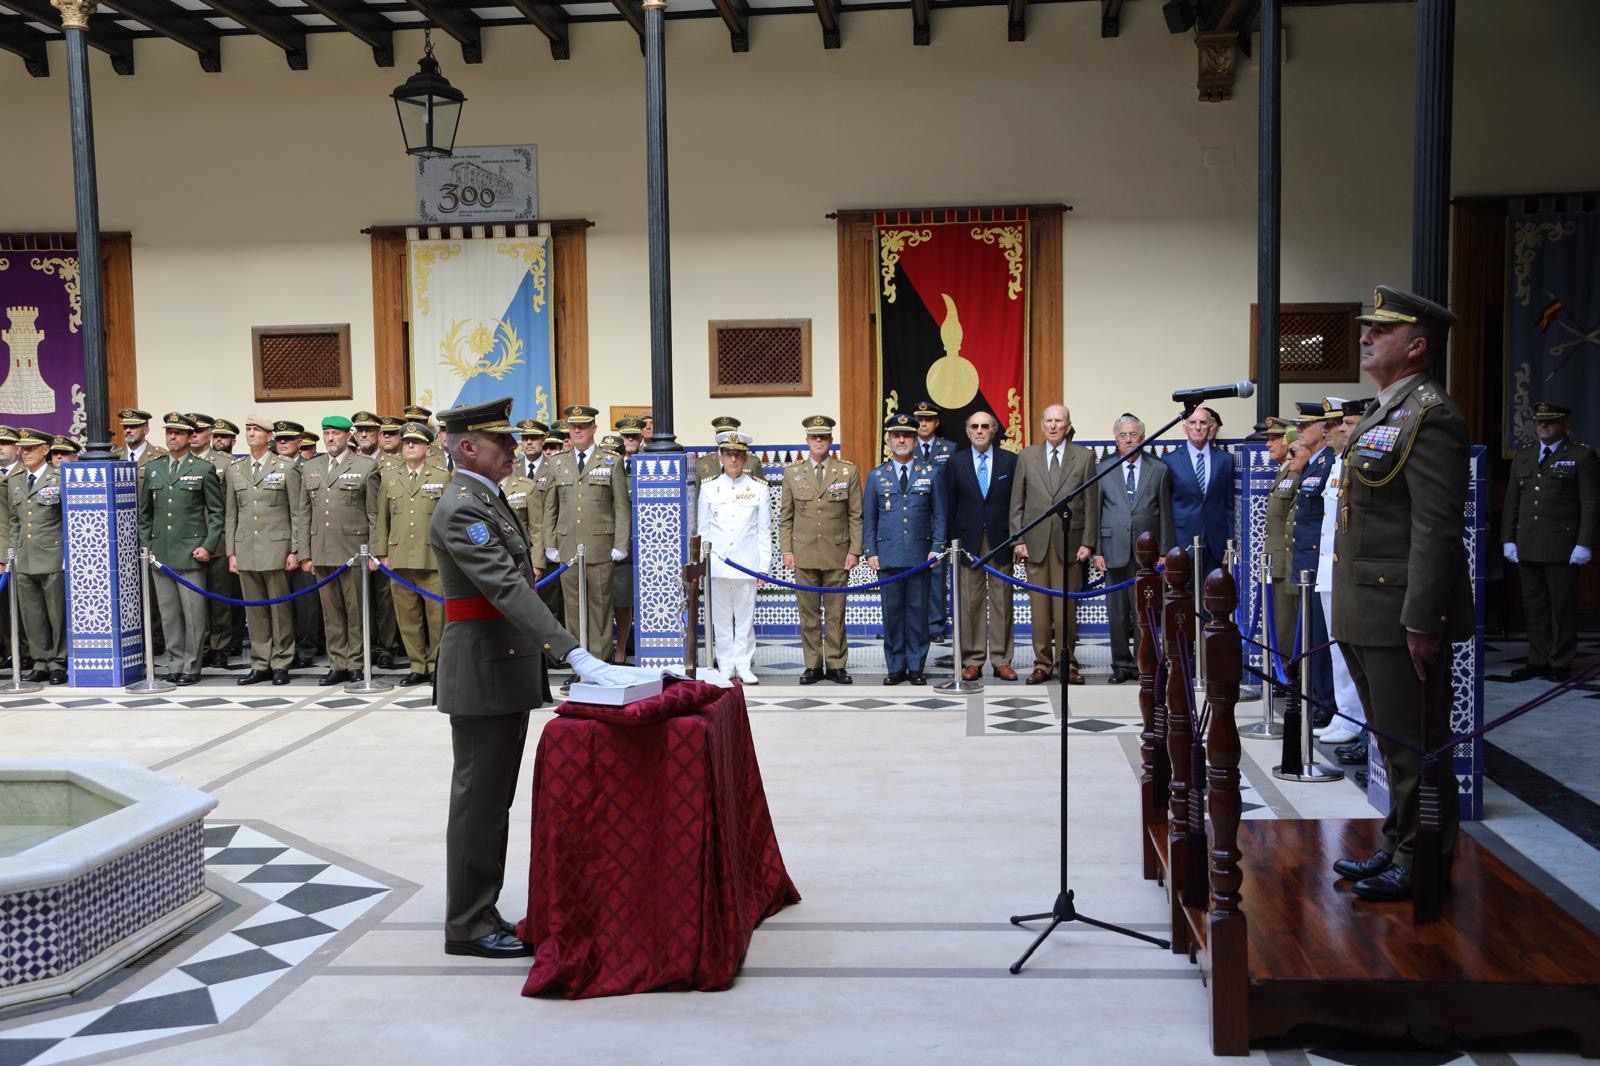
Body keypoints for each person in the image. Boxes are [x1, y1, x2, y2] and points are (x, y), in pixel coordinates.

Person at [427, 395, 637, 960]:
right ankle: (467, 924)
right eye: (501, 440)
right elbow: (507, 588)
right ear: (468, 446)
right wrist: (574, 653)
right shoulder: (462, 507)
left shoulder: (485, 497)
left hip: (501, 664)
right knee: (479, 802)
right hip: (482, 669)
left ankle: (481, 910)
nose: (512, 449)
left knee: (493, 800)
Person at [1331, 285, 1473, 903]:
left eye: (1381, 331)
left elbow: (1436, 528)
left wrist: (1422, 620)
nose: (1366, 337)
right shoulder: (1387, 409)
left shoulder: (1431, 414)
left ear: (1416, 347)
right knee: (1391, 741)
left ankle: (1423, 863)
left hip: (1399, 612)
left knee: (1416, 745)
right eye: (1367, 328)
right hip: (1366, 606)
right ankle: (1398, 843)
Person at [1502, 401, 1598, 682]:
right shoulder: (1524, 455)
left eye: (1550, 421)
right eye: (1539, 421)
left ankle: (1560, 661)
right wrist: (1508, 539)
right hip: (1527, 542)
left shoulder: (1581, 455)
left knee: (1561, 608)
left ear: (1564, 424)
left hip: (1562, 545)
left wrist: (1585, 543)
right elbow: (1512, 502)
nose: (1543, 426)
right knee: (1534, 606)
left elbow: (1590, 503)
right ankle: (1538, 659)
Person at [1010, 404, 1098, 685]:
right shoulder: (1027, 456)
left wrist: (1088, 542)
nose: (1053, 425)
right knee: (1039, 611)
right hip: (1035, 544)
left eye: (1058, 421)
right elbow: (1017, 503)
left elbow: (1091, 504)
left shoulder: (1083, 457)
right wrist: (1018, 539)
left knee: (1065, 611)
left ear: (1068, 425)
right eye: (1048, 420)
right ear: (1041, 424)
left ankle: (1067, 663)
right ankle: (1042, 664)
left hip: (1070, 544)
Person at [139, 412, 224, 686]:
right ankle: (175, 663)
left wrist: (207, 546)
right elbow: (145, 514)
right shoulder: (154, 468)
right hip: (161, 554)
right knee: (169, 614)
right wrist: (147, 546)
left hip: (190, 552)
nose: (172, 437)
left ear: (189, 437)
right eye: (169, 432)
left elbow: (217, 514)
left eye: (178, 433)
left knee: (193, 615)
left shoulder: (202, 469)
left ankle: (192, 665)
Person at [542, 404, 631, 660]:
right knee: (573, 608)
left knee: (600, 607)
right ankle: (579, 663)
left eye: (583, 426)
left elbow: (621, 506)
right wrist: (550, 542)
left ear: (594, 428)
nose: (578, 430)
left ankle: (599, 662)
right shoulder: (557, 462)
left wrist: (620, 543)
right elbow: (550, 507)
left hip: (600, 545)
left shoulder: (611, 461)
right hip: (568, 545)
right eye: (573, 426)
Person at [778, 415, 861, 685]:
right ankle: (812, 665)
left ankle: (836, 665)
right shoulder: (793, 473)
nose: (818, 441)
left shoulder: (847, 471)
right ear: (807, 440)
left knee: (836, 614)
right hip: (804, 554)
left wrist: (855, 550)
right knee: (809, 614)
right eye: (814, 437)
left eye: (823, 437)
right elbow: (786, 518)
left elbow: (855, 515)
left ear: (831, 440)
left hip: (838, 553)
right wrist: (787, 550)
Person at [864, 413, 946, 685]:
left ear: (915, 439)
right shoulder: (876, 476)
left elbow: (940, 515)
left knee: (918, 616)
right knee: (893, 616)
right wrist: (871, 551)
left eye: (907, 435)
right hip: (888, 558)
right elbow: (870, 517)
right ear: (888, 440)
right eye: (896, 435)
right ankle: (896, 667)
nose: (901, 440)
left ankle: (916, 666)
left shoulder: (931, 473)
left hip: (920, 556)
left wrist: (937, 547)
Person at [298, 414, 380, 686]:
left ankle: (356, 662)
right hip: (321, 549)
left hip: (353, 550)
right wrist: (304, 553)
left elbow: (373, 514)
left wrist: (374, 552)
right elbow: (304, 513)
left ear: (348, 436)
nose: (330, 438)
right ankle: (337, 663)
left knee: (355, 610)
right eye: (327, 433)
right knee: (331, 611)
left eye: (335, 433)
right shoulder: (312, 466)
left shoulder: (365, 466)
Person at [1092, 414, 1174, 683]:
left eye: (1133, 434)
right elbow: (1095, 512)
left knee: (1145, 611)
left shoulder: (1158, 470)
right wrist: (1097, 551)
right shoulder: (1103, 469)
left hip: (1147, 554)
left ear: (1143, 437)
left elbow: (1165, 512)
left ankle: (1143, 663)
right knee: (1116, 614)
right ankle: (1120, 665)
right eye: (1123, 435)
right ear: (1116, 440)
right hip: (1112, 549)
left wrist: (1164, 551)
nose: (1128, 440)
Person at [225, 415, 303, 686]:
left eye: (257, 430)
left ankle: (281, 661)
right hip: (246, 547)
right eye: (248, 429)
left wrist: (295, 549)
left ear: (269, 436)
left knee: (280, 610)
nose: (251, 433)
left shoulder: (286, 467)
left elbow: (296, 513)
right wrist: (231, 552)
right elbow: (231, 515)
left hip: (277, 548)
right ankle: (260, 662)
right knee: (254, 611)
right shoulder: (236, 469)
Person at [1313, 399, 1372, 746]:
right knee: (1337, 648)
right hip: (1329, 568)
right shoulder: (1336, 463)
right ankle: (1345, 712)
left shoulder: (1359, 463)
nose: (1332, 431)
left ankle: (1356, 717)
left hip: (1347, 571)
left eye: (1343, 424)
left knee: (1351, 648)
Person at [375, 421, 451, 686]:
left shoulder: (442, 477)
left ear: (427, 448)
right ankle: (417, 665)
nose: (409, 445)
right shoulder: (390, 477)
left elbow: (449, 520)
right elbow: (382, 519)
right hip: (399, 558)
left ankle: (438, 665)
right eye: (406, 442)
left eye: (416, 442)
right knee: (407, 617)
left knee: (437, 617)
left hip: (432, 558)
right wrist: (381, 553)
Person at [945, 409, 1018, 680]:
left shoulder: (1010, 461)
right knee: (970, 602)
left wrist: (1017, 539)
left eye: (985, 426)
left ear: (993, 430)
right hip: (968, 542)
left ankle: (1001, 660)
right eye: (974, 426)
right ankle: (973, 660)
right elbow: (949, 505)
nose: (979, 431)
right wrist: (952, 543)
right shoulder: (956, 462)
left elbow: (1017, 503)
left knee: (1002, 601)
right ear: (967, 432)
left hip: (1001, 540)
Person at [697, 433, 771, 684]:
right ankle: (726, 665)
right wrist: (703, 565)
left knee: (745, 620)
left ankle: (743, 664)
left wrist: (763, 567)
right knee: (720, 620)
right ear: (721, 457)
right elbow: (703, 530)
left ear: (745, 458)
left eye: (738, 455)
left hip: (747, 565)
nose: (733, 460)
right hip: (717, 566)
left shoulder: (758, 489)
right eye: (728, 454)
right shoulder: (709, 488)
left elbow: (764, 531)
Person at [1290, 400, 1341, 723]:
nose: (1299, 430)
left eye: (1305, 425)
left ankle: (1327, 703)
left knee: (1322, 637)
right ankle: (1318, 697)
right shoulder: (1315, 463)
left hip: (1321, 562)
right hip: (1308, 562)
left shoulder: (1328, 463)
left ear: (1323, 430)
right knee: (1312, 634)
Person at [8, 428, 67, 684]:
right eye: (23, 448)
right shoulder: (15, 480)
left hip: (52, 554)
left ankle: (59, 662)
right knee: (31, 614)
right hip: (25, 556)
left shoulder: (59, 477)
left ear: (46, 449)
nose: (25, 453)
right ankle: (40, 660)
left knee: (56, 613)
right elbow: (14, 521)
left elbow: (67, 519)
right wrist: (13, 552)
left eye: (31, 448)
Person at [192, 413, 241, 669]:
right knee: (194, 599)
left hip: (218, 536)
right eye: (190, 431)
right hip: (189, 537)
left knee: (220, 596)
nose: (193, 436)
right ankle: (200, 646)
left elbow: (231, 506)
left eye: (198, 431)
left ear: (209, 435)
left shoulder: (226, 463)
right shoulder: (178, 462)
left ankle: (220, 646)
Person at [1162, 405, 1234, 579]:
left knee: (1214, 591)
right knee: (1183, 592)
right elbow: (1165, 507)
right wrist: (1165, 548)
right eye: (1192, 423)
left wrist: (1230, 543)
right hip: (1182, 541)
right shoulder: (1170, 461)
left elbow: (1229, 505)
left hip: (1216, 542)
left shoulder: (1225, 460)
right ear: (1185, 427)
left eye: (1202, 422)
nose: (1198, 427)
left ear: (1210, 426)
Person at [912, 401, 958, 643]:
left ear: (936, 423)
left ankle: (935, 625)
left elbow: (954, 485)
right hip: (914, 520)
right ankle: (914, 624)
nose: (923, 424)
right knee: (911, 574)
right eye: (919, 419)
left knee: (937, 573)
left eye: (928, 419)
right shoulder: (906, 446)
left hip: (940, 519)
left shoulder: (950, 449)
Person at [1261, 418, 1301, 680]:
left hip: (1288, 561)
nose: (1268, 444)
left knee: (1287, 622)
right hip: (1277, 559)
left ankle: (1290, 676)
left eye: (1274, 439)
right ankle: (1284, 673)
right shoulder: (1284, 471)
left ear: (1288, 440)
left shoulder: (1295, 473)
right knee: (1280, 621)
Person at [611, 416, 646, 663]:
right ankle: (617, 647)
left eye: (635, 436)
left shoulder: (650, 463)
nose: (630, 440)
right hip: (615, 540)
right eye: (626, 436)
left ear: (642, 437)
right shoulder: (611, 463)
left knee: (640, 599)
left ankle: (637, 646)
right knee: (617, 599)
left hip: (645, 541)